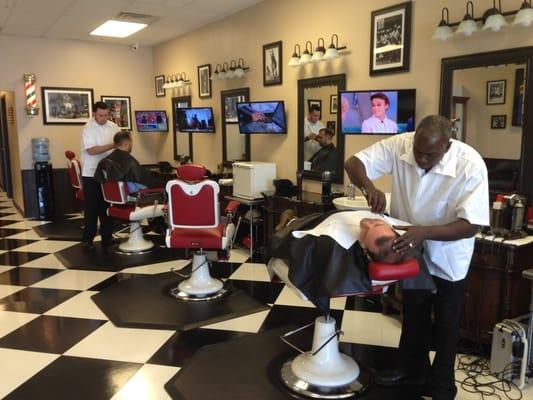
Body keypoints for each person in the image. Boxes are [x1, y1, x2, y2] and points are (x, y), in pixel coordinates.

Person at [344, 115, 490, 400]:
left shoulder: (470, 165)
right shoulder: (403, 144)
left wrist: (424, 232)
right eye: (418, 151)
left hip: (450, 255)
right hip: (410, 250)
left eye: (429, 154)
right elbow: (353, 163)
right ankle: (412, 374)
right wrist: (369, 188)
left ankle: (443, 387)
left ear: (447, 147)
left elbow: (471, 224)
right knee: (413, 315)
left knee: (447, 324)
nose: (420, 158)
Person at [80, 101, 121, 250]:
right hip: (91, 173)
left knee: (107, 206)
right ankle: (87, 240)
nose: (103, 118)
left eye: (106, 115)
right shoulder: (88, 128)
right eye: (100, 115)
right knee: (91, 208)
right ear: (94, 114)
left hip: (107, 173)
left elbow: (121, 143)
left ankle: (107, 238)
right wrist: (113, 144)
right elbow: (91, 151)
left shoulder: (114, 127)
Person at [94, 131, 165, 193]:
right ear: (126, 144)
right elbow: (145, 180)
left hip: (115, 194)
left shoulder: (106, 160)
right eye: (131, 143)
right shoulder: (129, 161)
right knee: (165, 186)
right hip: (133, 193)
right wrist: (163, 183)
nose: (132, 145)